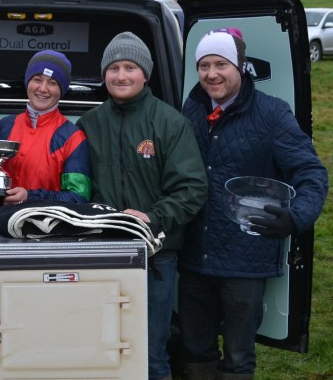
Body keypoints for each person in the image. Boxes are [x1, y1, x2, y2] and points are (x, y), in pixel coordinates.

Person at [178, 28, 328, 380]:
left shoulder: (272, 114)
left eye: (221, 64)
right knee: (193, 349)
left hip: (244, 260)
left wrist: (294, 218)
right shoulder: (192, 108)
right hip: (194, 255)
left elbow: (311, 173)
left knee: (237, 357)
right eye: (203, 65)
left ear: (240, 67)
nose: (211, 74)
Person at [75, 32, 208, 380]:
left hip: (155, 257)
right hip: (99, 255)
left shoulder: (170, 123)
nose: (121, 75)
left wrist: (152, 218)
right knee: (96, 348)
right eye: (114, 68)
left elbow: (192, 187)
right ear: (104, 74)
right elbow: (74, 188)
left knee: (150, 353)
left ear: (144, 74)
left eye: (130, 67)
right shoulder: (88, 124)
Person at [0, 50, 91, 205]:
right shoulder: (2, 127)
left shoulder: (73, 137)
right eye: (37, 79)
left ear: (61, 90)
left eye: (52, 83)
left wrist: (29, 197)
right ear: (28, 82)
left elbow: (79, 197)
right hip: (1, 226)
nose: (43, 89)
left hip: (49, 228)